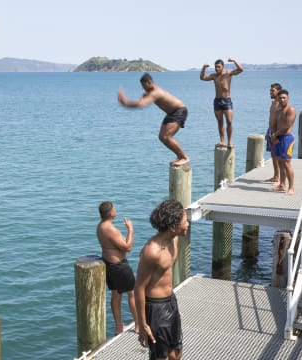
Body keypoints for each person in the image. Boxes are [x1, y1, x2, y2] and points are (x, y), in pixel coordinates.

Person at [134, 199, 189, 360]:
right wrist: (143, 324)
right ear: (173, 226)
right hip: (156, 309)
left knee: (176, 353)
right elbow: (139, 288)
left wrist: (173, 307)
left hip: (170, 302)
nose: (188, 224)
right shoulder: (152, 252)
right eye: (185, 221)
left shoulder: (175, 238)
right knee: (161, 357)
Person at [118, 73, 190, 167]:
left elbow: (141, 104)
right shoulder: (150, 92)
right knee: (162, 137)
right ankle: (179, 156)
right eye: (142, 87)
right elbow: (141, 101)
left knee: (167, 137)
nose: (144, 89)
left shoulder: (156, 92)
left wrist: (125, 102)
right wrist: (136, 100)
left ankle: (184, 157)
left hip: (179, 111)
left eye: (144, 86)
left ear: (150, 82)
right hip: (170, 113)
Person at [96, 201, 139, 335]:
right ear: (110, 213)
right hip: (119, 266)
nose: (116, 210)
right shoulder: (110, 229)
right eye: (114, 208)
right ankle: (138, 325)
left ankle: (119, 327)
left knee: (116, 294)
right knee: (132, 294)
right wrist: (130, 229)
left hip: (109, 265)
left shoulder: (100, 226)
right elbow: (128, 247)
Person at [200, 58, 244, 149]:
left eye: (219, 67)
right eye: (216, 67)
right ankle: (222, 141)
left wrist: (234, 60)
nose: (217, 69)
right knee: (220, 122)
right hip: (217, 101)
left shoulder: (228, 73)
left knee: (229, 121)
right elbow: (202, 78)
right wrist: (204, 67)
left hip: (227, 100)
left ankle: (230, 142)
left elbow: (241, 69)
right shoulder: (214, 76)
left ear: (223, 67)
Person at [270, 89, 296, 195]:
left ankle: (291, 188)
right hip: (278, 138)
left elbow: (287, 126)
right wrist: (274, 136)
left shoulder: (291, 110)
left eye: (284, 97)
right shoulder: (278, 111)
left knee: (286, 163)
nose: (281, 99)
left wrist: (275, 134)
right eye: (280, 98)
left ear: (288, 98)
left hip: (287, 138)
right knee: (280, 162)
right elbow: (274, 124)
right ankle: (282, 184)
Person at [265, 83, 283, 183]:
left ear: (278, 92)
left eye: (273, 91)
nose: (270, 92)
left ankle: (281, 179)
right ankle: (276, 176)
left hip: (276, 132)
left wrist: (276, 134)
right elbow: (271, 119)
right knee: (273, 155)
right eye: (270, 90)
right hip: (271, 131)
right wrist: (268, 131)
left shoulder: (280, 105)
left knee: (278, 155)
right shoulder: (273, 103)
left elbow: (280, 120)